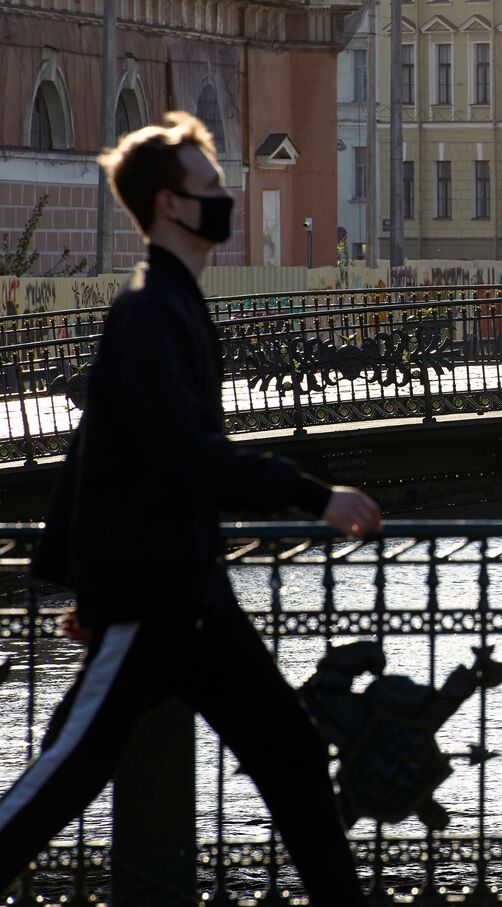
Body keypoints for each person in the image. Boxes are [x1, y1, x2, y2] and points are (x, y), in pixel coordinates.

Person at [0, 112, 381, 905]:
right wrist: (313, 494)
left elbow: (95, 448)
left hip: (188, 598)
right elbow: (182, 453)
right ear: (171, 204)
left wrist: (70, 576)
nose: (227, 197)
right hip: (151, 597)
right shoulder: (149, 313)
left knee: (295, 760)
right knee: (58, 780)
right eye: (211, 186)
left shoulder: (171, 306)